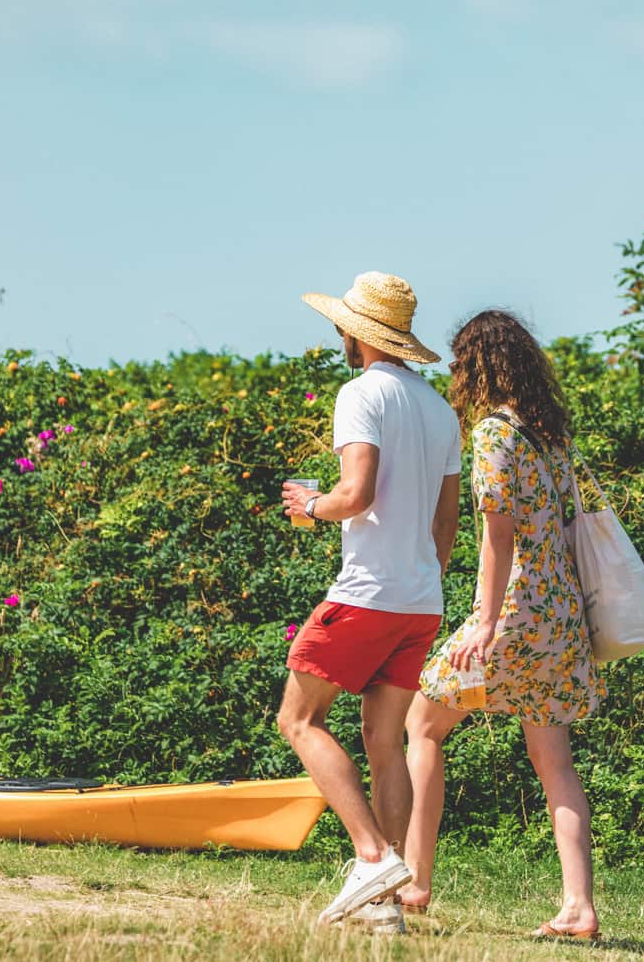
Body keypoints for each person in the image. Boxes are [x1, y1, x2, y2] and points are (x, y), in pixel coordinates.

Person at [399, 309, 605, 941]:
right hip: (561, 612)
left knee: (421, 725)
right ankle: (579, 907)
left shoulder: (494, 434)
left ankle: (415, 880)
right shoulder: (550, 434)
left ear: (477, 368)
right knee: (555, 762)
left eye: (461, 365)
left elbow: (497, 538)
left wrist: (485, 623)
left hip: (515, 612)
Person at [275, 271, 462, 932]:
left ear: (355, 333)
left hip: (368, 595)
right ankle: (384, 910)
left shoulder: (360, 394)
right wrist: (421, 579)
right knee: (385, 742)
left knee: (298, 721)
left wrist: (311, 505)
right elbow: (446, 524)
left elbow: (355, 494)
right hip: (420, 600)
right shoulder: (441, 410)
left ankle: (372, 855)